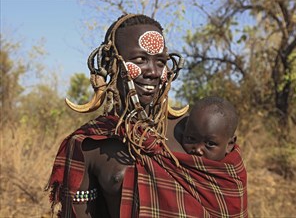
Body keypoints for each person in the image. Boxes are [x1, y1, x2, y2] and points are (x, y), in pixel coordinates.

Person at [46, 14, 247, 218]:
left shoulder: (191, 132)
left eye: (160, 62)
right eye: (140, 59)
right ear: (110, 63)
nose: (153, 71)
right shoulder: (88, 144)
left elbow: (229, 200)